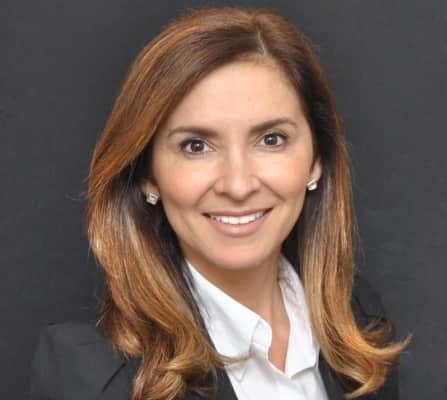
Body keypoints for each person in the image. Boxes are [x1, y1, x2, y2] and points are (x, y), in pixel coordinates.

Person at [29, 6, 410, 400]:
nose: (238, 185)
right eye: (196, 146)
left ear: (317, 160)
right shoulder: (90, 378)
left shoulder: (360, 319)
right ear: (147, 174)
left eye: (271, 139)